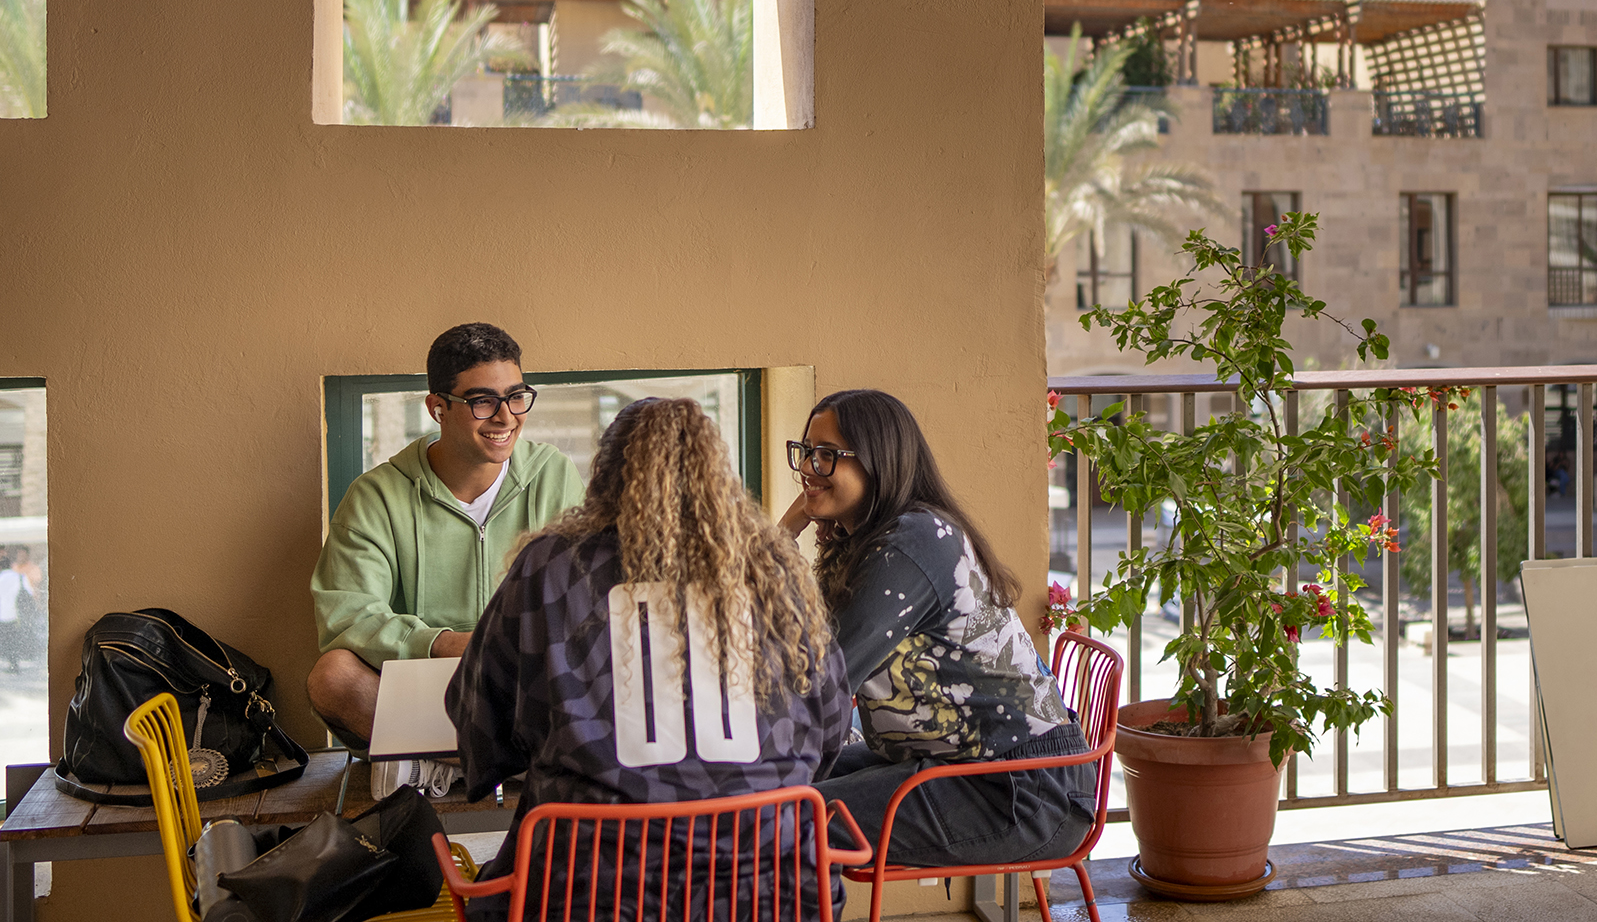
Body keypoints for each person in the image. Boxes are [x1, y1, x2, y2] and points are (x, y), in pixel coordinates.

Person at [450, 397, 851, 920]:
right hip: (772, 891)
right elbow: (829, 729)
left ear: (605, 477)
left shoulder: (549, 567)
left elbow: (483, 715)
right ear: (718, 475)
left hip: (593, 893)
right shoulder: (774, 570)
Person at [782, 389, 1094, 868]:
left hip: (1022, 791)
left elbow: (820, 677)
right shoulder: (877, 539)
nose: (808, 467)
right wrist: (791, 523)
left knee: (776, 814)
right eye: (806, 452)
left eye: (828, 456)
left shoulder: (913, 544)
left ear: (878, 462)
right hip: (964, 768)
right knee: (774, 790)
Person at [309, 323, 584, 793]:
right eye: (483, 402)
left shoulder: (554, 476)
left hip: (524, 689)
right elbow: (348, 616)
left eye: (517, 397)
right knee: (331, 677)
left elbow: (580, 600)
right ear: (438, 407)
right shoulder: (376, 495)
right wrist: (445, 643)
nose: (506, 418)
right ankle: (514, 764)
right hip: (425, 692)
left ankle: (438, 763)